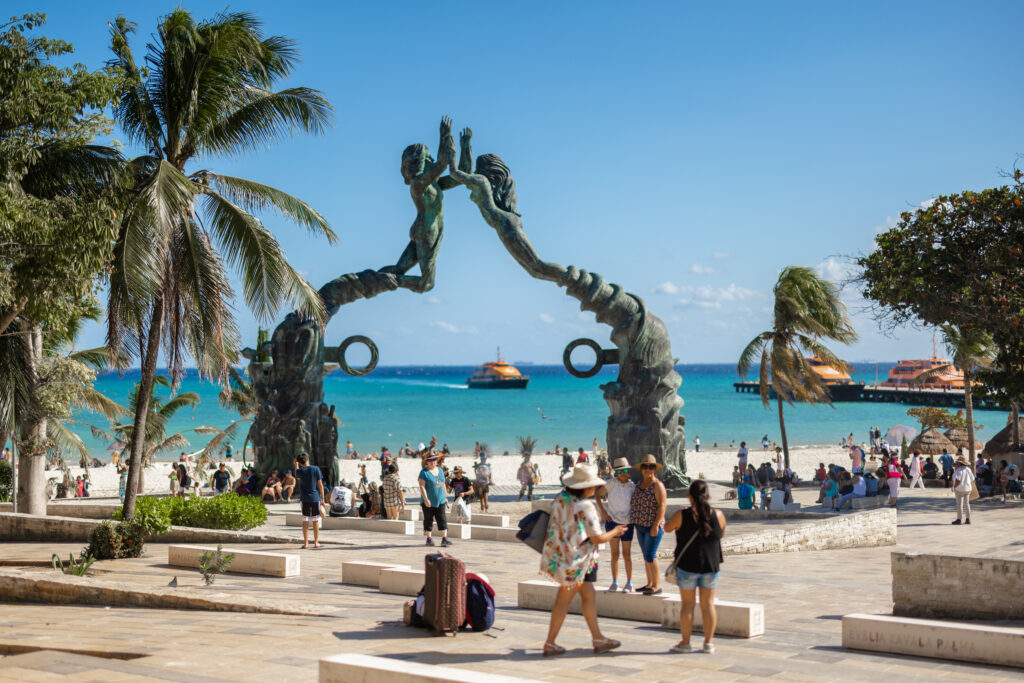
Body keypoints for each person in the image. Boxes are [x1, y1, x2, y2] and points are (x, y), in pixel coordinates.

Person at [539, 463, 627, 657]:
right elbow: (597, 538)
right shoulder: (585, 506)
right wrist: (616, 531)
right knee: (563, 601)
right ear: (585, 487)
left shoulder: (561, 499)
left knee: (588, 596)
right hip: (577, 562)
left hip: (563, 557)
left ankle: (598, 639)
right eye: (593, 485)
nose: (595, 488)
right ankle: (550, 643)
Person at [664, 479, 727, 654]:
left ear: (689, 496)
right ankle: (708, 643)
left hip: (687, 566)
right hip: (710, 565)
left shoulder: (681, 515)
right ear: (708, 495)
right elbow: (720, 534)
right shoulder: (719, 515)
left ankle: (685, 643)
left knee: (688, 605)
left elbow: (668, 528)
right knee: (708, 605)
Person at [594, 457, 636, 593]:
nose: (623, 473)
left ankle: (629, 582)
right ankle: (615, 582)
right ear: (616, 473)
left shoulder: (632, 486)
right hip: (612, 522)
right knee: (614, 554)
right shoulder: (610, 483)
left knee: (627, 554)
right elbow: (597, 495)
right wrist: (604, 512)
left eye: (625, 470)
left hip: (627, 523)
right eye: (620, 471)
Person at [630, 454, 668, 596]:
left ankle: (657, 585)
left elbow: (662, 506)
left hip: (653, 526)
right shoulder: (639, 484)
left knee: (651, 555)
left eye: (651, 467)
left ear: (654, 469)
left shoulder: (657, 485)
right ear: (641, 469)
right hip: (640, 525)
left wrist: (655, 525)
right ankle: (650, 583)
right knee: (646, 555)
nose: (648, 469)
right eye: (645, 466)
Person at [419, 452, 451, 547]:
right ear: (427, 462)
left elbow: (442, 484)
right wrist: (426, 499)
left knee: (442, 519)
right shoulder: (424, 472)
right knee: (428, 520)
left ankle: (444, 539)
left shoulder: (440, 470)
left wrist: (445, 497)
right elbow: (422, 486)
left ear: (436, 461)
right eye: (430, 460)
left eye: (434, 460)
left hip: (440, 500)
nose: (432, 462)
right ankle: (429, 539)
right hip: (428, 501)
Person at [295, 453, 325, 549]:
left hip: (304, 498)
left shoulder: (300, 471)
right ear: (308, 459)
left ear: (299, 462)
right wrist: (322, 498)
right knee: (315, 520)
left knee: (305, 521)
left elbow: (297, 475)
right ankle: (316, 542)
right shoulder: (315, 469)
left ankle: (306, 543)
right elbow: (320, 485)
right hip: (315, 497)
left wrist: (295, 464)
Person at [951, 455, 975, 524]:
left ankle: (959, 519)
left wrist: (953, 487)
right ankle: (968, 519)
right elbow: (972, 479)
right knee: (967, 504)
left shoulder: (958, 470)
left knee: (959, 504)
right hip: (968, 489)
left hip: (959, 489)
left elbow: (958, 481)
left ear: (959, 463)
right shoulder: (968, 469)